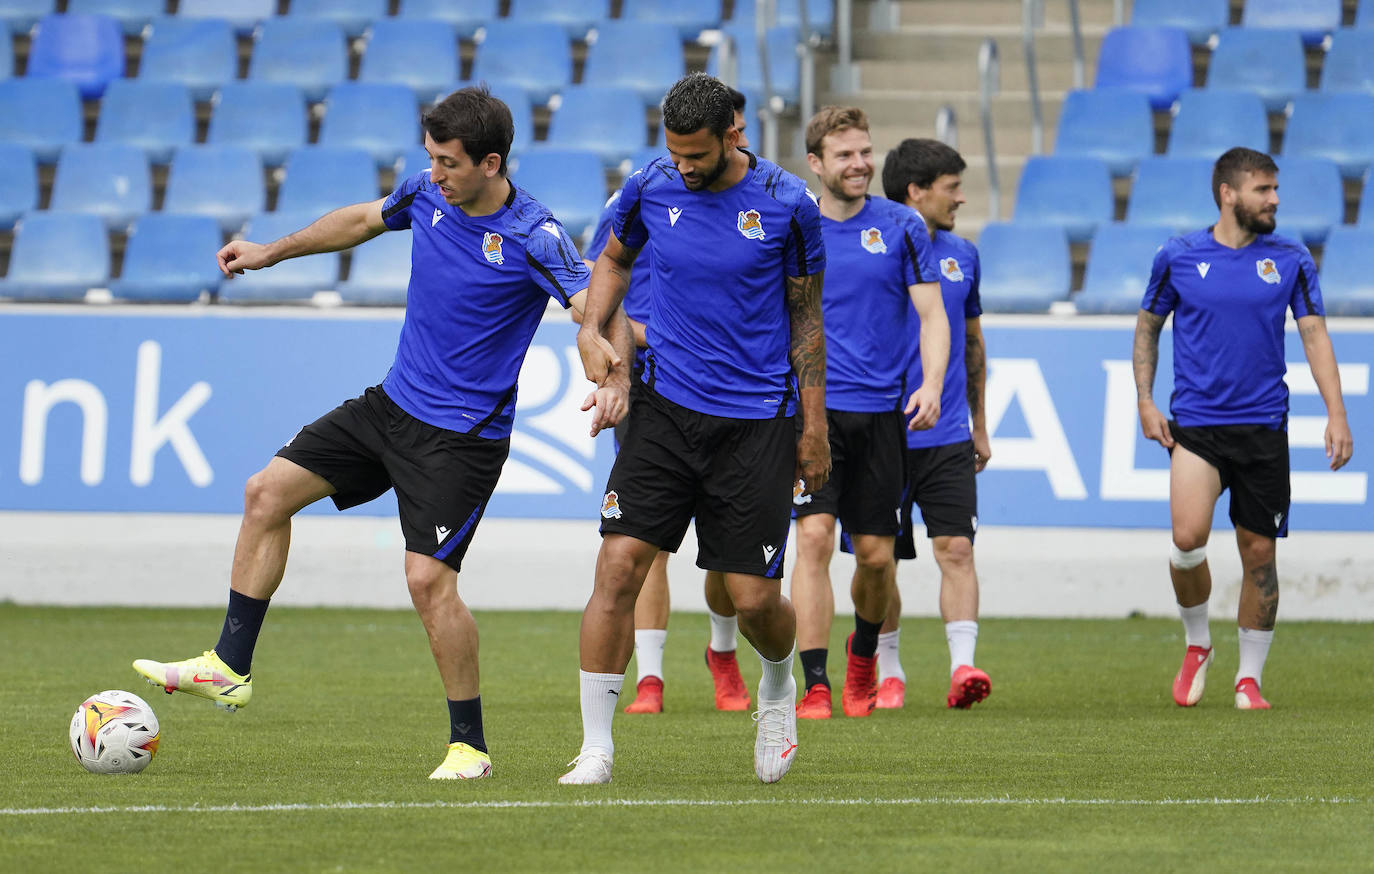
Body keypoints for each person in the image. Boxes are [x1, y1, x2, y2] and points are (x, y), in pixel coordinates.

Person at [130, 86, 630, 780]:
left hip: (461, 437)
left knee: (428, 582)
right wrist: (272, 252)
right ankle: (228, 666)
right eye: (429, 158)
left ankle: (469, 748)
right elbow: (363, 220)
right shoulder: (427, 195)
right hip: (390, 407)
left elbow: (588, 301)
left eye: (449, 162)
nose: (435, 173)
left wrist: (602, 356)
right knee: (265, 493)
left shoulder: (532, 233)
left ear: (490, 163)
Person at [562, 72, 828, 785]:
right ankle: (596, 748)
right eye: (675, 152)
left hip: (756, 424)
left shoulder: (788, 203)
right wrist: (594, 332)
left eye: (697, 155)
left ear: (732, 135)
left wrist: (814, 427)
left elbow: (807, 319)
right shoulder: (650, 187)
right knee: (617, 566)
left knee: (752, 598)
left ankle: (777, 688)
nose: (684, 166)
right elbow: (612, 260)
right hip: (665, 411)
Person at [1134, 146, 1353, 710]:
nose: (1275, 199)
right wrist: (1145, 400)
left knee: (1259, 555)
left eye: (1275, 189)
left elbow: (1313, 335)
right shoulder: (1179, 255)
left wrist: (1337, 414)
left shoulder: (1291, 257)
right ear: (1229, 194)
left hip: (1262, 430)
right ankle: (1198, 642)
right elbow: (1148, 327)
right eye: (1263, 189)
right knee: (1187, 542)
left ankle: (1248, 679)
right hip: (1199, 427)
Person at [580, 89, 754, 716]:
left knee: (729, 554)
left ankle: (723, 648)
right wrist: (617, 337)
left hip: (737, 398)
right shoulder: (640, 198)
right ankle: (649, 676)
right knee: (641, 541)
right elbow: (599, 280)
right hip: (653, 387)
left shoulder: (760, 203)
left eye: (736, 129)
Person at [789, 112, 948, 721]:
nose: (858, 163)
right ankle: (818, 683)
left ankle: (863, 659)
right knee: (814, 539)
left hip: (883, 415)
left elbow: (932, 315)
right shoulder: (795, 223)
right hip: (812, 413)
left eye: (865, 152)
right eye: (844, 154)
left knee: (878, 557)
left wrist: (931, 385)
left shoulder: (903, 225)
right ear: (816, 163)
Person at [867, 138, 993, 711]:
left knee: (956, 549)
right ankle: (887, 668)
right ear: (917, 192)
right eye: (952, 187)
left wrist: (980, 424)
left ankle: (963, 667)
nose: (961, 199)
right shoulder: (871, 247)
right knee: (880, 558)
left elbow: (971, 344)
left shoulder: (963, 255)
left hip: (947, 433)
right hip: (882, 428)